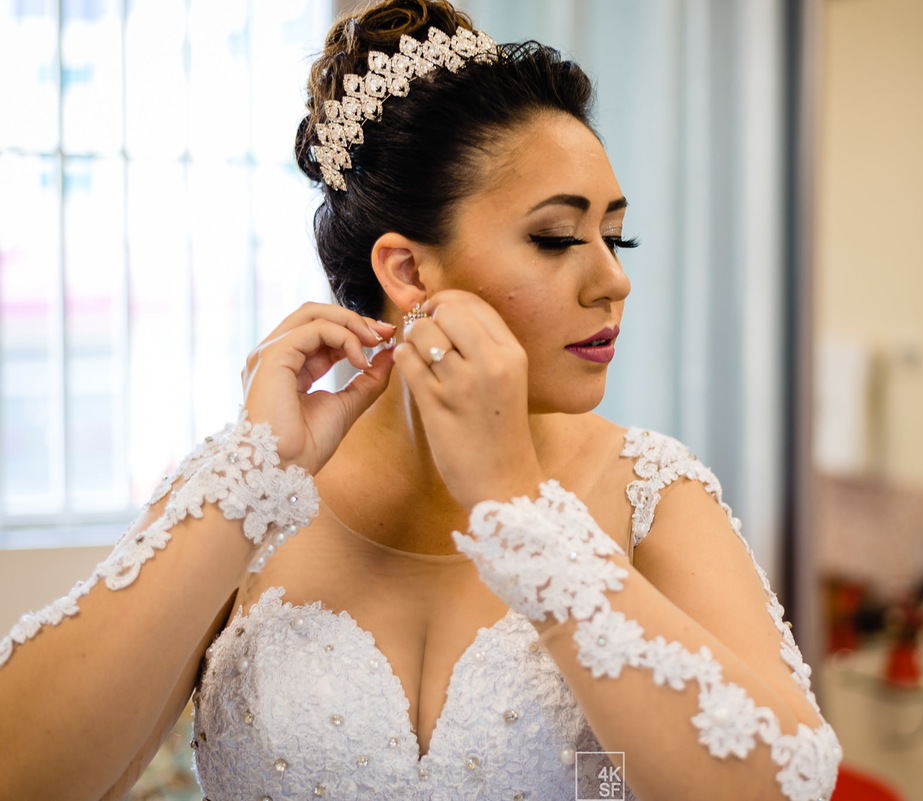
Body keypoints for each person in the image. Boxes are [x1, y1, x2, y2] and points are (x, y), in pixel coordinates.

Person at [0, 2, 842, 799]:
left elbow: (786, 783)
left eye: (614, 237)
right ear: (406, 271)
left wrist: (519, 506)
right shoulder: (254, 486)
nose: (614, 280)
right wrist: (253, 482)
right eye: (557, 238)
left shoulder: (651, 493)